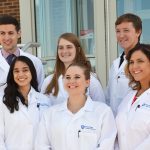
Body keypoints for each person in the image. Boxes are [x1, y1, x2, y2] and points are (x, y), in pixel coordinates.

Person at [35, 61, 117, 150]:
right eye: (68, 77)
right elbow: (41, 146)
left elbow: (106, 146)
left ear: (87, 82)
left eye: (77, 77)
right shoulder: (49, 114)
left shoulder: (103, 112)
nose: (71, 81)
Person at [0, 56, 51, 149]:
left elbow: (49, 135)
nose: (21, 74)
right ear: (12, 74)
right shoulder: (3, 102)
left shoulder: (45, 101)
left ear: (32, 72)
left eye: (25, 70)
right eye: (16, 71)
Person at [41, 32, 105, 105]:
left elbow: (101, 108)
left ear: (78, 50)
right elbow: (42, 109)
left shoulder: (91, 80)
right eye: (61, 48)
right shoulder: (48, 81)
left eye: (69, 47)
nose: (64, 51)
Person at [105, 13, 142, 115]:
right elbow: (109, 97)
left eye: (126, 30)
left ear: (138, 32)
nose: (121, 35)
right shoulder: (115, 64)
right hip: (115, 123)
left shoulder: (146, 61)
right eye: (118, 31)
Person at [116, 44, 150, 150]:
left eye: (140, 61)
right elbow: (118, 133)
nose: (134, 66)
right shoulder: (129, 96)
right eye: (131, 62)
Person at [0, 14, 44, 94]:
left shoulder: (35, 62)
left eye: (10, 33)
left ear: (19, 33)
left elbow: (40, 91)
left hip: (29, 106)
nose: (6, 38)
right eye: (2, 33)